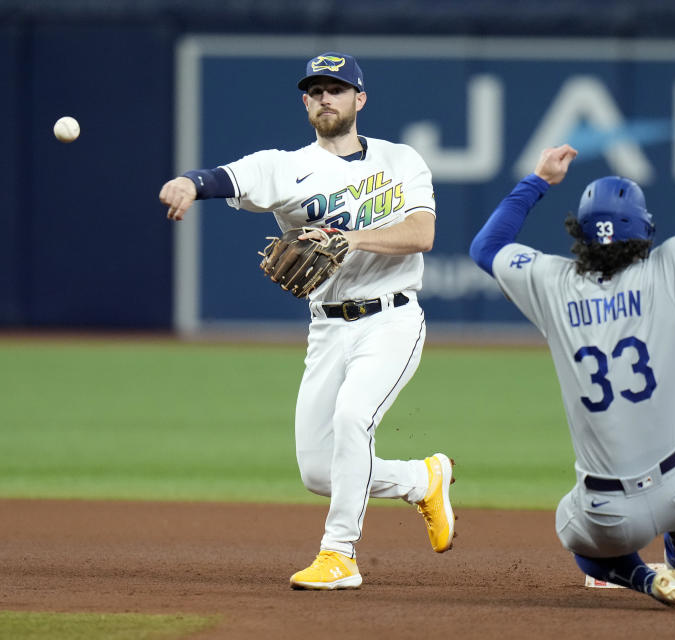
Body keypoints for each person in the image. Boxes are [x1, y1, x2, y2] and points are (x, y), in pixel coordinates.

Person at [469, 84, 675, 608]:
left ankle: (647, 579)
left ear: (578, 236)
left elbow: (486, 246)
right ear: (645, 231)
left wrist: (538, 180)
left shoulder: (552, 282)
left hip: (610, 515)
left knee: (571, 528)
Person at [159, 52, 455, 590]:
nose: (325, 98)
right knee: (319, 472)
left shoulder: (401, 160)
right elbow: (222, 177)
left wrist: (351, 239)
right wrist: (186, 184)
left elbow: (422, 235)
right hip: (326, 327)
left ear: (359, 99)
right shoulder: (285, 166)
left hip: (390, 319)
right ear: (305, 102)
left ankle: (338, 553)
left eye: (336, 89)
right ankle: (421, 477)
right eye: (315, 90)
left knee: (351, 421)